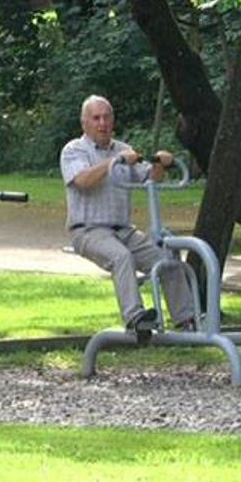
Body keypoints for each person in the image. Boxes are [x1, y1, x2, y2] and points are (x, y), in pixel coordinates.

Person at [60, 95, 196, 332]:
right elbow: (82, 180)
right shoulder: (74, 150)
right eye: (96, 118)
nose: (102, 123)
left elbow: (149, 179)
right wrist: (114, 162)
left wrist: (160, 164)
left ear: (113, 121)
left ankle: (187, 320)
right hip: (88, 230)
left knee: (167, 258)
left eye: (106, 117)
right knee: (122, 257)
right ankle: (136, 319)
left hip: (124, 230)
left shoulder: (123, 150)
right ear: (85, 124)